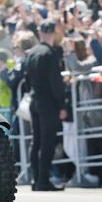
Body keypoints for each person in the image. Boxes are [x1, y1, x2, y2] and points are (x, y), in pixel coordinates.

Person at [24, 20, 67, 191]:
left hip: (34, 99)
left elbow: (26, 80)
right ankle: (43, 180)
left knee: (36, 142)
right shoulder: (50, 53)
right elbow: (56, 83)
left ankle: (36, 179)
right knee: (47, 142)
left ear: (40, 32)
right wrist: (62, 105)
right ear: (53, 33)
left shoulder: (32, 52)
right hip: (47, 102)